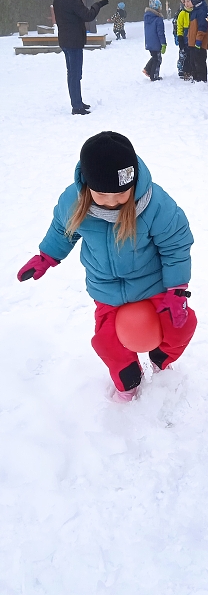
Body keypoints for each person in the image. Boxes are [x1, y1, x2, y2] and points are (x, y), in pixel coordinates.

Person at [17, 132, 197, 402]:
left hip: (152, 284)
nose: (112, 201)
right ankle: (128, 380)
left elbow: (175, 244)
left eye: (121, 193)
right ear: (88, 184)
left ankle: (162, 359)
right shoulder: (74, 201)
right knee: (107, 341)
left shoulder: (154, 203)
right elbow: (62, 231)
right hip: (106, 289)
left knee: (180, 324)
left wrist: (177, 289)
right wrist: (47, 257)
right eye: (101, 193)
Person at [52, 0, 109, 115]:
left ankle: (77, 102)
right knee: (75, 74)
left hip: (65, 41)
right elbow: (88, 15)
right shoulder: (72, 0)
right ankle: (77, 106)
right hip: (74, 42)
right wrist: (98, 5)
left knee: (72, 73)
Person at [185, 0, 208, 82]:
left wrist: (198, 41)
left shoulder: (201, 12)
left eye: (189, 1)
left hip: (199, 43)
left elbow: (202, 28)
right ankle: (195, 77)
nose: (188, 3)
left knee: (200, 61)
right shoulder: (195, 10)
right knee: (193, 61)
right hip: (192, 42)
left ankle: (201, 79)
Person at [143, 0, 167, 81]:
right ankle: (154, 75)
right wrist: (163, 43)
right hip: (156, 43)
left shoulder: (147, 17)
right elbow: (160, 33)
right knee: (157, 59)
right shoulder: (158, 19)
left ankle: (147, 69)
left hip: (149, 42)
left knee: (154, 57)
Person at [176, 0, 193, 79]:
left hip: (193, 37)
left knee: (192, 55)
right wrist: (180, 37)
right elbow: (179, 27)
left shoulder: (194, 12)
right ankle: (185, 71)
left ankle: (191, 70)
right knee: (185, 55)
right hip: (185, 37)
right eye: (185, 2)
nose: (187, 3)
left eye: (188, 1)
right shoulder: (182, 13)